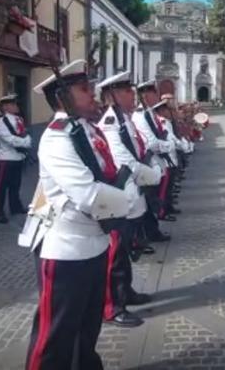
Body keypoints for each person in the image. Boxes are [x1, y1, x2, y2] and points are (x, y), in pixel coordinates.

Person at [18, 59, 137, 370]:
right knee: (55, 334)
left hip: (94, 242)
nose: (92, 94)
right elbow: (88, 194)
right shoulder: (58, 138)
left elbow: (107, 174)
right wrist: (131, 203)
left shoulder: (85, 130)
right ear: (63, 98)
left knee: (87, 327)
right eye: (84, 89)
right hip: (66, 249)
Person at [96, 71, 161, 328]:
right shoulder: (111, 121)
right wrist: (150, 175)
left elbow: (140, 149)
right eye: (126, 91)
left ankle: (126, 292)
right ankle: (112, 306)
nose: (132, 95)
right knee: (115, 253)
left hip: (133, 191)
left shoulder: (126, 119)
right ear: (112, 95)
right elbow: (123, 158)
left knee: (124, 250)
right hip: (120, 193)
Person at [132, 80, 173, 242]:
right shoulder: (140, 116)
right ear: (145, 96)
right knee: (147, 203)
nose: (156, 96)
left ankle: (150, 232)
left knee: (152, 201)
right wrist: (168, 145)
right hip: (148, 164)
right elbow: (151, 143)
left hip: (156, 162)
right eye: (153, 93)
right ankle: (146, 235)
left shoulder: (148, 114)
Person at [0, 94, 32, 224]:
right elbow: (8, 138)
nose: (16, 106)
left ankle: (15, 206)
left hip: (19, 157)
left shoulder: (18, 119)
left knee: (15, 184)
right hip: (6, 157)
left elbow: (26, 133)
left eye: (16, 103)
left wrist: (27, 141)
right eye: (13, 104)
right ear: (5, 107)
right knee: (1, 187)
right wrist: (25, 143)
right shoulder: (0, 120)